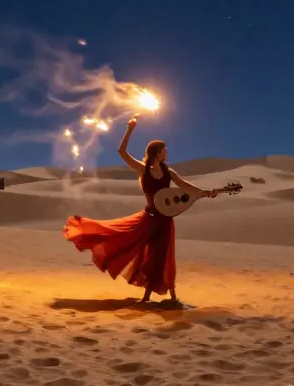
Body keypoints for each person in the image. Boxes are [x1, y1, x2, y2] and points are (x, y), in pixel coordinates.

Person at [63, 115, 215, 306]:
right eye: (164, 150)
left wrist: (206, 193)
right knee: (130, 243)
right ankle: (147, 296)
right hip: (148, 219)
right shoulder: (143, 170)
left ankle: (172, 295)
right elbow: (122, 152)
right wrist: (130, 129)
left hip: (166, 220)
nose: (166, 152)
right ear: (157, 152)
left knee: (165, 255)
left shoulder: (169, 171)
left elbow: (184, 185)